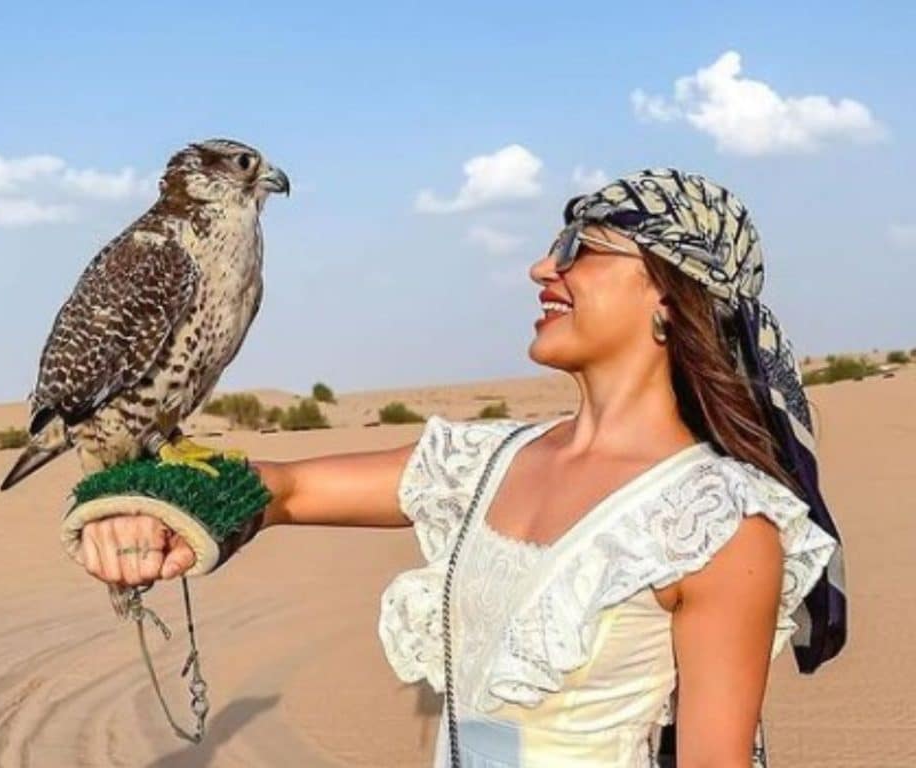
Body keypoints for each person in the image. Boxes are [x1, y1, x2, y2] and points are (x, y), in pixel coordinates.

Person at [74, 169, 846, 767]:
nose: (544, 267)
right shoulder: (484, 462)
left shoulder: (716, 522)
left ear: (673, 300)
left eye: (582, 250)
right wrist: (150, 508)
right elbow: (282, 489)